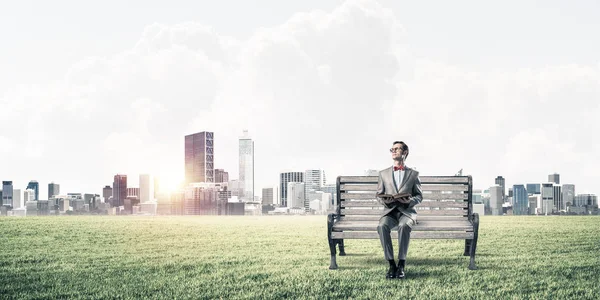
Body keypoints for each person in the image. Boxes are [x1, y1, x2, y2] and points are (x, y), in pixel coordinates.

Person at [375, 141, 423, 279]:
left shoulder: (414, 174)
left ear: (405, 152)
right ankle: (391, 264)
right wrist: (384, 200)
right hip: (389, 211)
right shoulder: (383, 174)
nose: (394, 151)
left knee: (403, 226)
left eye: (397, 149)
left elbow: (419, 196)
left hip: (406, 212)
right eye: (392, 149)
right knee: (382, 226)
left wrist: (410, 201)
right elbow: (378, 194)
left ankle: (401, 264)